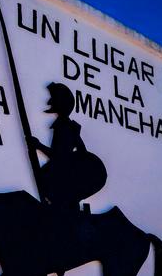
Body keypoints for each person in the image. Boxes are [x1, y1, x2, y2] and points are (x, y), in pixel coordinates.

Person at [27, 83, 107, 213]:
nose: (49, 102)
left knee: (45, 179)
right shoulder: (67, 126)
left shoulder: (64, 127)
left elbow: (59, 156)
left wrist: (38, 145)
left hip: (72, 173)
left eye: (53, 99)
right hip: (73, 171)